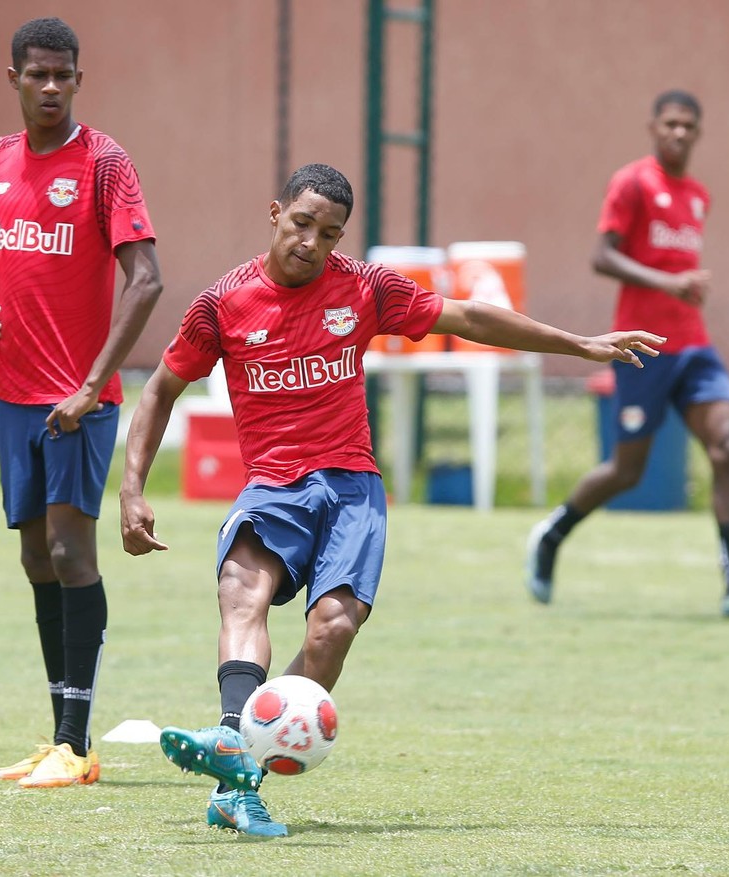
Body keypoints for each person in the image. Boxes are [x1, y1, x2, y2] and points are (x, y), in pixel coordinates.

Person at [119, 163, 663, 835]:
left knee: (333, 631)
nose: (311, 243)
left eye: (329, 232)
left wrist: (577, 343)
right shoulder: (222, 304)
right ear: (274, 213)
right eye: (300, 224)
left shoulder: (366, 287)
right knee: (241, 584)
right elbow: (159, 392)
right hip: (274, 486)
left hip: (351, 486)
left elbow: (465, 314)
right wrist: (132, 487)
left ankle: (241, 777)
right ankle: (233, 731)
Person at [0, 17, 162, 788]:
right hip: (11, 394)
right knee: (36, 555)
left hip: (80, 401)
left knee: (72, 552)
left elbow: (147, 279)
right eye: (35, 74)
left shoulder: (104, 164)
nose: (49, 87)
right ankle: (61, 736)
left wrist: (90, 382)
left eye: (62, 75)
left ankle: (77, 743)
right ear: (13, 78)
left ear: (78, 78)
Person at [525, 90, 729, 619]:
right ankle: (551, 535)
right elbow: (602, 257)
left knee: (726, 447)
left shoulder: (697, 196)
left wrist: (681, 290)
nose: (679, 133)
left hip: (695, 346)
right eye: (670, 123)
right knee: (627, 471)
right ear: (653, 128)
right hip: (641, 346)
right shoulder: (633, 183)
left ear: (698, 133)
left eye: (689, 126)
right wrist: (670, 282)